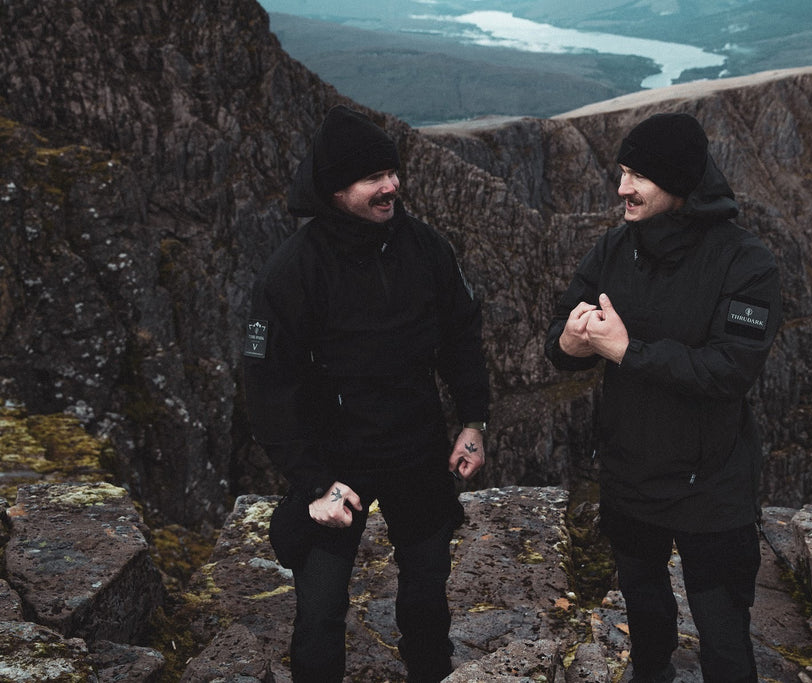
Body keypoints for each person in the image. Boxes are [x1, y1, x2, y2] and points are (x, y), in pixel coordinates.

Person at [243, 105, 490, 683]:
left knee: (428, 600)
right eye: (373, 177)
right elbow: (267, 387)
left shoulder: (424, 247)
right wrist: (311, 483)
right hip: (335, 465)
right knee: (320, 618)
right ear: (334, 189)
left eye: (392, 171)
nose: (391, 186)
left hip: (417, 450)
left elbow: (462, 334)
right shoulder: (291, 272)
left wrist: (473, 420)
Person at [545, 112, 781, 683]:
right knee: (647, 623)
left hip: (714, 485)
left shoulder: (745, 262)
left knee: (723, 634)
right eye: (622, 172)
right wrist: (572, 342)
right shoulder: (613, 249)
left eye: (638, 176)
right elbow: (560, 342)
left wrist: (629, 353)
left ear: (679, 183)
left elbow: (731, 369)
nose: (622, 188)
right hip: (631, 477)